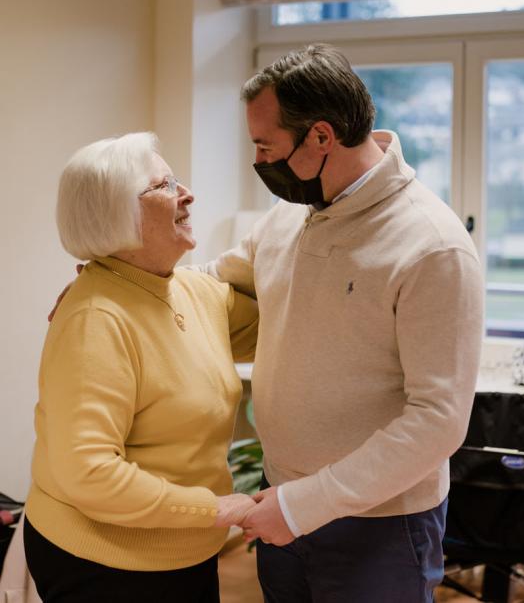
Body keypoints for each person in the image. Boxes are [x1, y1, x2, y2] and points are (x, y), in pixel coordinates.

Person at [200, 44, 484, 602]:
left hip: (380, 527)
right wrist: (118, 285)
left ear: (322, 137)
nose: (258, 162)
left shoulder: (432, 245)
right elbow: (213, 280)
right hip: (280, 501)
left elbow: (439, 422)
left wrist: (306, 505)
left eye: (265, 146)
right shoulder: (290, 216)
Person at [24, 132, 258, 602]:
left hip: (184, 547)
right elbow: (90, 473)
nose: (187, 193)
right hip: (105, 561)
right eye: (166, 185)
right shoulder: (97, 319)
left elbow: (285, 320)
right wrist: (213, 508)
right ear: (117, 212)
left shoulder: (192, 291)